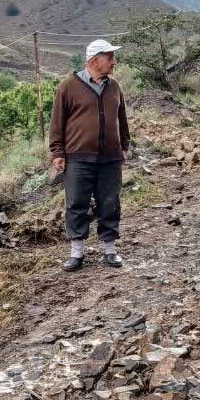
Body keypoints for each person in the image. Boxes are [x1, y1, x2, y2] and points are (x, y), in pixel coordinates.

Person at [50, 39, 130, 272]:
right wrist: (57, 151)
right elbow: (57, 123)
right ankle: (76, 254)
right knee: (76, 203)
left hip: (110, 157)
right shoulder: (67, 87)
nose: (114, 62)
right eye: (110, 57)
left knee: (110, 202)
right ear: (95, 60)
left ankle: (109, 251)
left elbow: (122, 119)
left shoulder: (114, 86)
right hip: (77, 157)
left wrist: (124, 145)